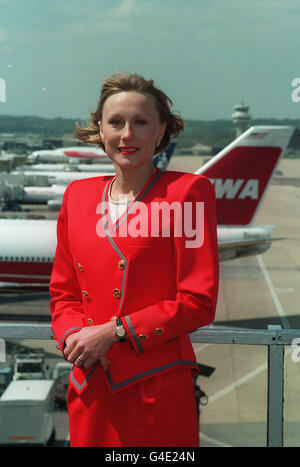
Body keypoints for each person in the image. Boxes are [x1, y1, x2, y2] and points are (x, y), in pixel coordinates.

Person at [49, 72, 219, 447]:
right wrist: (77, 338)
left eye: (141, 123)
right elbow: (63, 294)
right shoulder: (77, 197)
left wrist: (113, 333)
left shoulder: (187, 194)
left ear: (160, 131)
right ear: (100, 129)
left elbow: (199, 302)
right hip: (91, 384)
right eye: (116, 122)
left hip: (156, 391)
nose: (127, 135)